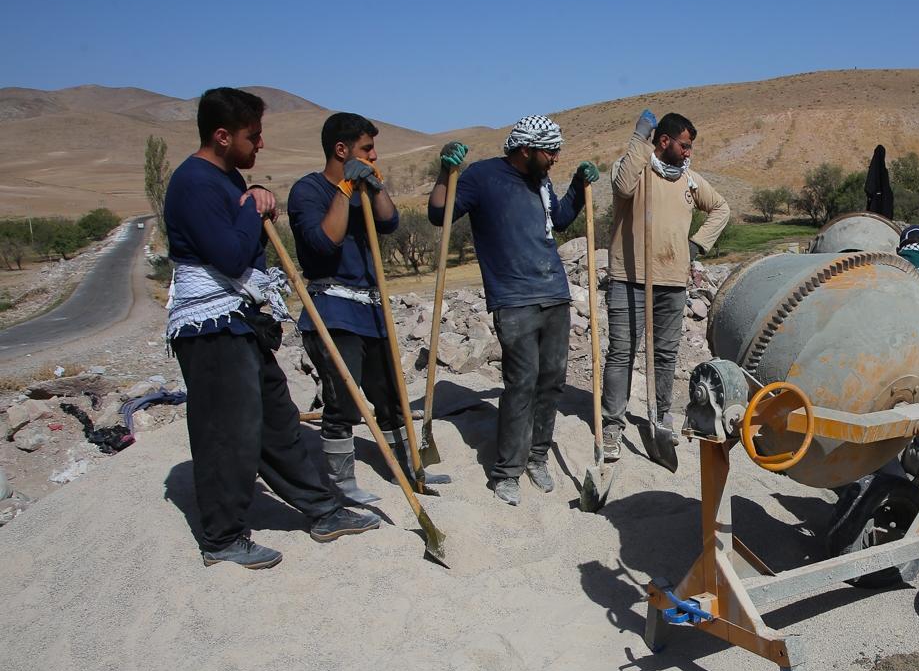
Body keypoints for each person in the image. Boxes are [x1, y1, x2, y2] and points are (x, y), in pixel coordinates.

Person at [164, 87, 379, 569]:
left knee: (277, 420)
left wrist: (253, 200)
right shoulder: (194, 182)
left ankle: (323, 510)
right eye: (252, 135)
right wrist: (253, 206)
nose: (260, 144)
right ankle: (221, 538)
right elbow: (229, 254)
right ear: (222, 136)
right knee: (227, 432)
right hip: (210, 328)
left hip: (239, 322)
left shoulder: (224, 177)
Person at [426, 116, 598, 506]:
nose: (555, 157)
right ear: (525, 150)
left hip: (554, 293)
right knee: (521, 383)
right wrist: (445, 172)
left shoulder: (541, 182)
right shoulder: (481, 178)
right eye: (549, 151)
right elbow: (440, 214)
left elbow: (560, 219)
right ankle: (507, 470)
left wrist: (576, 186)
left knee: (551, 380)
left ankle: (538, 457)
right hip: (514, 299)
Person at [288, 112, 422, 504]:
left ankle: (405, 464)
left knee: (391, 394)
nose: (374, 155)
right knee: (343, 400)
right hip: (331, 310)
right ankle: (342, 482)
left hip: (372, 311)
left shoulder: (366, 187)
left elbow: (390, 221)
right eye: (367, 149)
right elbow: (324, 242)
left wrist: (374, 186)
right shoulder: (307, 191)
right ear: (341, 150)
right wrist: (345, 188)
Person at [602, 110, 731, 459]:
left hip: (672, 283)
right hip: (629, 279)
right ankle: (612, 424)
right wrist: (638, 138)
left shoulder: (690, 180)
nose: (689, 153)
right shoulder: (634, 168)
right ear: (663, 141)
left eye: (690, 147)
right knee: (621, 353)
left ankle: (660, 418)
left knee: (664, 355)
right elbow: (621, 186)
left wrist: (696, 244)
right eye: (684, 146)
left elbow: (721, 208)